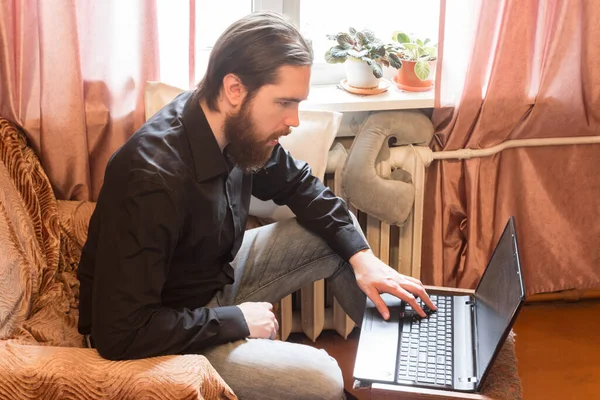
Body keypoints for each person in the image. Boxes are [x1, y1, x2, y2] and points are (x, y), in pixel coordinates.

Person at [77, 11, 436, 400]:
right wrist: (235, 321)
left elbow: (301, 186)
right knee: (323, 378)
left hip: (210, 277)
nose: (294, 120)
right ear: (234, 89)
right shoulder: (150, 177)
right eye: (284, 102)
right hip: (158, 332)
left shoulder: (232, 126)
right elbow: (121, 333)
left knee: (336, 235)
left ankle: (409, 360)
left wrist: (365, 259)